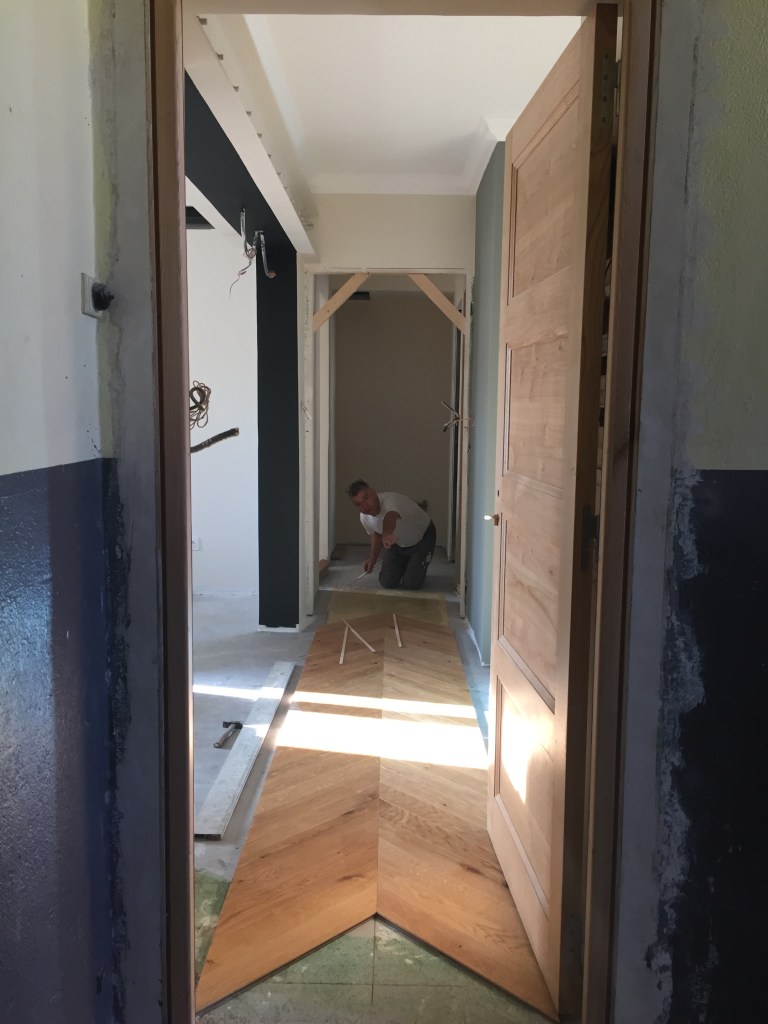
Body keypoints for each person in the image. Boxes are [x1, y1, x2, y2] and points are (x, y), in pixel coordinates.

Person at [346, 479, 436, 591]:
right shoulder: (364, 517)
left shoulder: (391, 500)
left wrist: (386, 533)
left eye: (366, 498)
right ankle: (407, 564)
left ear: (374, 492)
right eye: (358, 504)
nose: (364, 506)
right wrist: (372, 560)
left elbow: (391, 516)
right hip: (396, 541)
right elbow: (375, 534)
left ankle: (413, 565)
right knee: (387, 582)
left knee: (411, 584)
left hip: (423, 537)